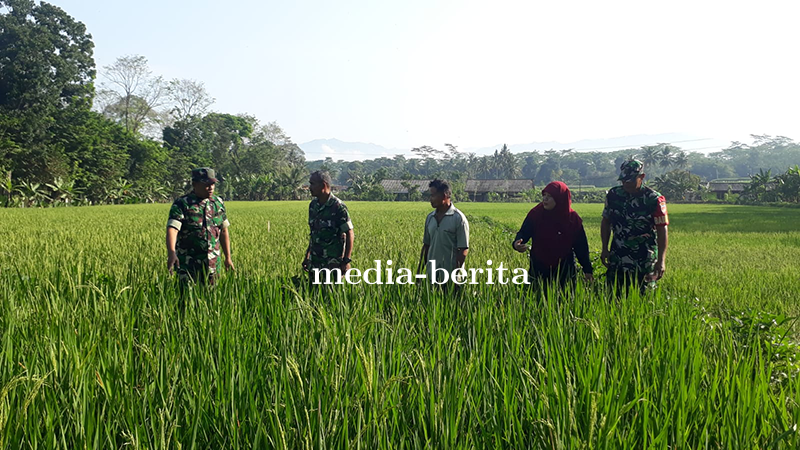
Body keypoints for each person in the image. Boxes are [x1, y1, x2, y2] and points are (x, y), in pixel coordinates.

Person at [601, 159, 669, 296]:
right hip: (618, 255)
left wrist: (661, 260)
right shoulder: (613, 195)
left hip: (644, 259)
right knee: (612, 295)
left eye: (630, 180)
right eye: (623, 180)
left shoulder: (654, 199)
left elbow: (662, 229)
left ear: (641, 177)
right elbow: (606, 221)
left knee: (644, 297)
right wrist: (604, 248)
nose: (626, 184)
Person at [513, 181, 593, 295]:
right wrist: (517, 244)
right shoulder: (536, 214)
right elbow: (523, 233)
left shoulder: (573, 219)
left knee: (565, 300)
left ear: (560, 199)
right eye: (544, 195)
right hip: (539, 268)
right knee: (537, 299)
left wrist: (587, 269)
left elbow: (581, 247)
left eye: (550, 196)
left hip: (565, 269)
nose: (545, 199)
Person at [166, 167, 234, 286]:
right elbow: (173, 229)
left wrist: (228, 258)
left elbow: (223, 230)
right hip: (188, 264)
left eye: (213, 184)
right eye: (206, 184)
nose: (211, 187)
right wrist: (172, 253)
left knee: (213, 294)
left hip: (213, 264)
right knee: (186, 295)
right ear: (195, 184)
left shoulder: (218, 203)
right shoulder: (182, 203)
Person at [303, 170, 354, 285]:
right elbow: (314, 233)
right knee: (313, 292)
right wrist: (307, 255)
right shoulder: (313, 206)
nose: (310, 187)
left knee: (332, 293)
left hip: (332, 263)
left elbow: (349, 233)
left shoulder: (338, 206)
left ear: (323, 185)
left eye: (312, 184)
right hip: (315, 262)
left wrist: (346, 260)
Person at [419, 179, 469, 290]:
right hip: (432, 276)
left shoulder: (458, 218)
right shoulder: (430, 218)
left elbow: (463, 249)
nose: (430, 199)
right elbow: (426, 246)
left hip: (451, 278)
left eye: (433, 195)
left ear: (445, 195)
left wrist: (454, 274)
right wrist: (419, 272)